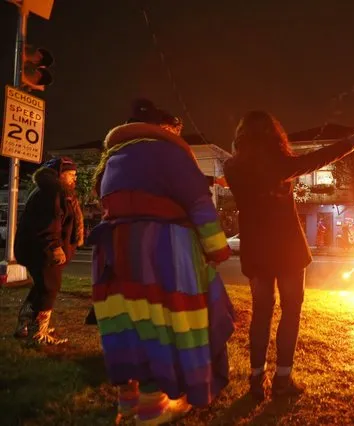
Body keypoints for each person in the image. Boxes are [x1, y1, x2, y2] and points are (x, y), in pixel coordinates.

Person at [88, 99, 234, 425]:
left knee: (128, 324)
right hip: (161, 252)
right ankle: (153, 406)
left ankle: (128, 401)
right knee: (161, 324)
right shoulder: (169, 153)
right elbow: (198, 202)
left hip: (113, 251)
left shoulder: (112, 159)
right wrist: (217, 248)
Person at [223, 111, 354, 400]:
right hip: (287, 249)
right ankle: (282, 379)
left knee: (261, 314)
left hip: (256, 251)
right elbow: (317, 159)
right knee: (291, 311)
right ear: (272, 134)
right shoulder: (279, 164)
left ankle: (256, 382)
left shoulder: (233, 167)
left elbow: (240, 172)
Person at [14, 156, 84, 345]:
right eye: (70, 174)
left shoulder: (56, 191)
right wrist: (54, 247)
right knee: (49, 289)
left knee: (41, 287)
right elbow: (49, 223)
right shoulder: (51, 192)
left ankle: (25, 324)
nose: (74, 178)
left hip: (39, 250)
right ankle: (38, 333)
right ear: (59, 175)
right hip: (44, 252)